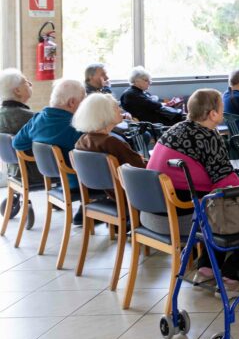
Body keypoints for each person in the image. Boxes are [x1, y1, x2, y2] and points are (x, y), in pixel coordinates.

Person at [148, 89, 239, 283]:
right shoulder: (208, 137)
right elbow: (227, 182)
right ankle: (232, 271)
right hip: (181, 214)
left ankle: (207, 266)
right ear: (213, 114)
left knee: (218, 202)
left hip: (151, 210)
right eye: (221, 108)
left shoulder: (176, 129)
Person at [13, 78, 86, 224]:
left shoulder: (37, 119)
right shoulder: (76, 127)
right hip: (77, 183)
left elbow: (17, 143)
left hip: (58, 180)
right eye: (83, 101)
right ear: (72, 102)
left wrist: (42, 151)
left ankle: (85, 212)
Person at [73, 94, 145, 169]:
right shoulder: (111, 142)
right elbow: (140, 168)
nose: (121, 110)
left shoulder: (82, 140)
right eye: (117, 107)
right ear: (105, 114)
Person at [0, 69, 41, 185]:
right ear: (17, 91)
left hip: (14, 171)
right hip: (35, 172)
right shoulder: (31, 118)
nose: (30, 84)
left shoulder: (2, 114)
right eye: (26, 82)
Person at [119, 67, 185, 126]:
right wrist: (167, 104)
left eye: (149, 80)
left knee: (181, 116)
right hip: (152, 123)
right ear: (136, 80)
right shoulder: (131, 94)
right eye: (146, 80)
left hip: (155, 118)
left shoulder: (138, 92)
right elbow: (154, 105)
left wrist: (169, 103)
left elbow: (154, 103)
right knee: (181, 119)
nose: (150, 82)